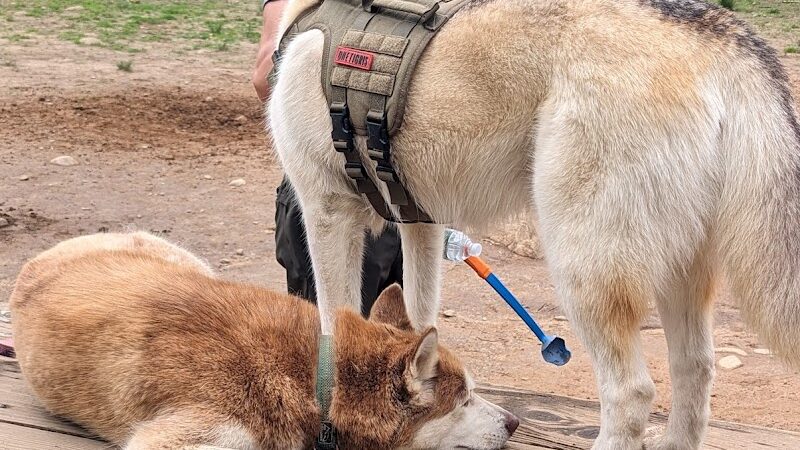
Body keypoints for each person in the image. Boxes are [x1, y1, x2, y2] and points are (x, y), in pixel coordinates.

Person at [252, 0, 404, 316]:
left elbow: (265, 77)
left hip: (339, 183)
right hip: (390, 184)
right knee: (368, 343)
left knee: (338, 340)